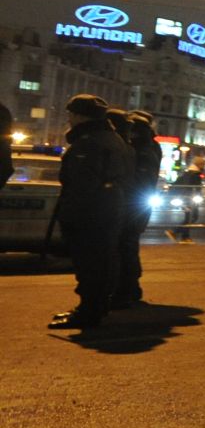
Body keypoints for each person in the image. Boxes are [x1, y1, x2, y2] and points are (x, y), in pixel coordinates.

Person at [48, 94, 133, 330]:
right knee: (103, 260)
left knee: (90, 264)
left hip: (91, 212)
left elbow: (82, 184)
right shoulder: (112, 138)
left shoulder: (89, 142)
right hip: (109, 207)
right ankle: (95, 307)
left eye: (70, 114)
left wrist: (72, 217)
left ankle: (88, 312)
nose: (69, 119)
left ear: (78, 116)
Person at [115, 109, 162, 308]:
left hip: (131, 203)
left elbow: (136, 178)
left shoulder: (140, 148)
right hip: (138, 204)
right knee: (129, 245)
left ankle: (127, 290)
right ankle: (130, 289)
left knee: (125, 246)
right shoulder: (152, 146)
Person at [172, 153, 205, 236]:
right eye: (203, 164)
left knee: (189, 217)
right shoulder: (195, 174)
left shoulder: (189, 172)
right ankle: (176, 232)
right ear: (200, 165)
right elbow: (195, 188)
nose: (204, 166)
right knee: (193, 217)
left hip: (186, 198)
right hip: (190, 199)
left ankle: (182, 235)